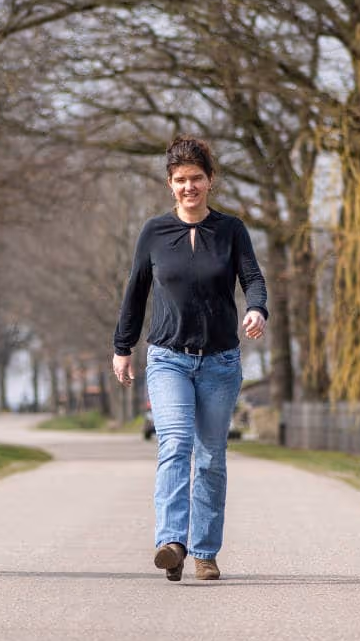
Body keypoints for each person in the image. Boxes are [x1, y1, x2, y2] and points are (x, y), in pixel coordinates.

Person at [112, 136, 268, 583]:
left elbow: (253, 279)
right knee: (175, 444)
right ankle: (170, 542)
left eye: (196, 178)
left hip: (220, 362)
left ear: (210, 181)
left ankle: (203, 551)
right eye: (180, 180)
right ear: (169, 184)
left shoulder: (231, 230)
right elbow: (135, 292)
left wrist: (256, 308)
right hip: (168, 359)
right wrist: (122, 348)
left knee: (212, 456)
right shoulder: (154, 232)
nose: (188, 187)